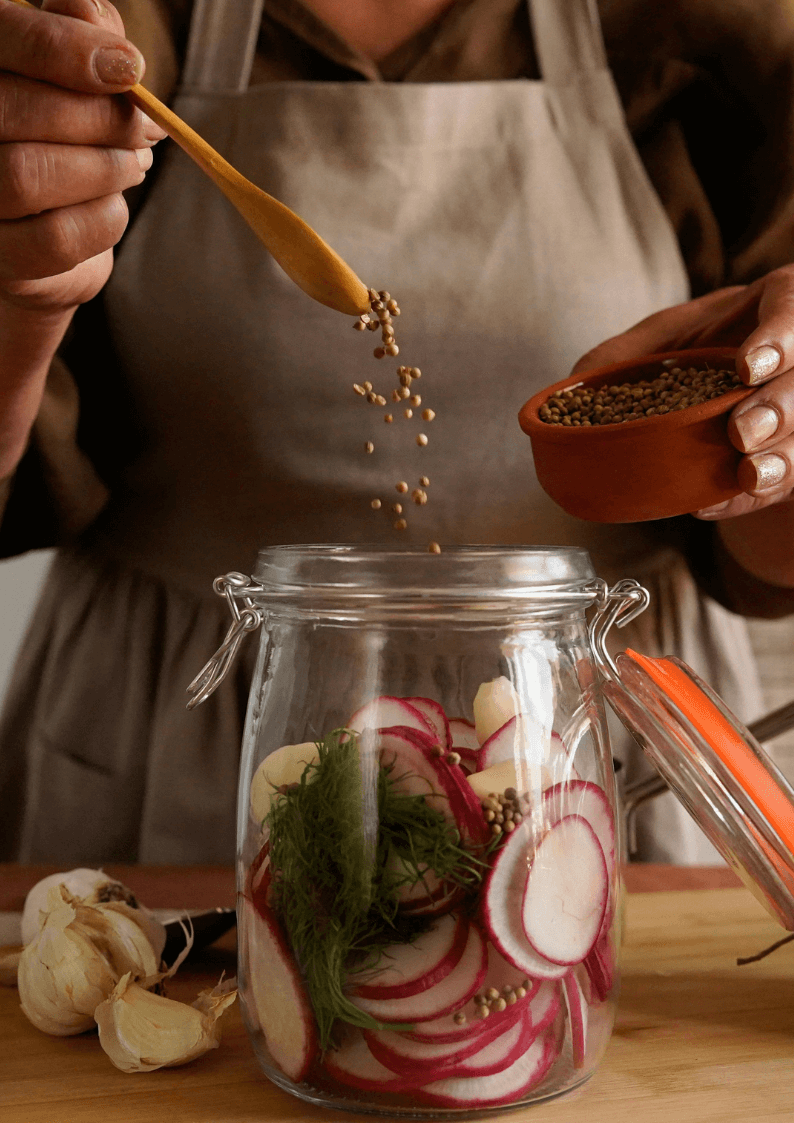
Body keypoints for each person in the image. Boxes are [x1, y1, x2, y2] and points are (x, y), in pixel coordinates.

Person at [2, 0, 794, 865]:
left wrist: (776, 425)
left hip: (578, 748)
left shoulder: (722, 25)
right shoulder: (102, 20)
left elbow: (758, 538)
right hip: (192, 741)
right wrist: (21, 294)